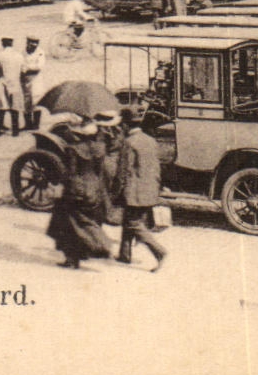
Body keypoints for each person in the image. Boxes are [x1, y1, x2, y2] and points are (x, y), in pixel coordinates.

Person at [47, 120, 114, 269]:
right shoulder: (100, 148)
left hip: (76, 189)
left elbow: (70, 173)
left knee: (67, 222)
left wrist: (59, 184)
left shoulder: (73, 149)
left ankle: (75, 257)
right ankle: (81, 254)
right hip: (94, 188)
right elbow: (99, 170)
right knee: (86, 220)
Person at [114, 107, 167, 271]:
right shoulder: (150, 140)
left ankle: (159, 251)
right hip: (150, 189)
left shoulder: (129, 143)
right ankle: (124, 254)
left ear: (125, 125)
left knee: (133, 223)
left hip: (134, 191)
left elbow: (124, 171)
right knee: (129, 219)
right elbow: (157, 167)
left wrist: (115, 191)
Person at [0, 37, 25, 136]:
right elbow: (23, 71)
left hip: (3, 82)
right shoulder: (19, 56)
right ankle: (15, 130)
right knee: (14, 107)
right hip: (15, 82)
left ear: (3, 43)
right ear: (12, 43)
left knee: (1, 107)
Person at [20, 36, 46, 126]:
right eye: (32, 42)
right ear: (27, 42)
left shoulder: (40, 52)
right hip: (25, 80)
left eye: (36, 42)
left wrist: (27, 68)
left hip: (36, 80)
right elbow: (20, 64)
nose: (34, 45)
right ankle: (28, 124)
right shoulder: (23, 52)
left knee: (36, 100)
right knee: (26, 101)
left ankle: (36, 124)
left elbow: (39, 66)